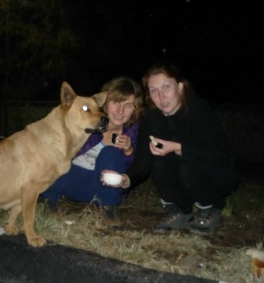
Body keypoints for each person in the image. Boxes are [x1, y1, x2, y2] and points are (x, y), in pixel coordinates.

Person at [103, 63, 239, 235]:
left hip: (217, 173)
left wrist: (178, 148)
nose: (161, 96)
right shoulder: (151, 119)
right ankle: (180, 210)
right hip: (183, 175)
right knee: (159, 164)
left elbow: (221, 156)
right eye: (154, 91)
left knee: (188, 169)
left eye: (166, 87)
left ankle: (210, 207)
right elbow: (142, 162)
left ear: (180, 87)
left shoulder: (199, 109)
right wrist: (126, 180)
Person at [40, 76, 144, 228]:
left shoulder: (133, 131)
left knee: (111, 152)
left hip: (100, 188)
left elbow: (135, 170)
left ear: (135, 108)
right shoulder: (87, 121)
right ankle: (49, 200)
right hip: (70, 182)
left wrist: (128, 151)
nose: (120, 111)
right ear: (105, 104)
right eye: (115, 103)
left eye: (128, 105)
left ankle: (108, 208)